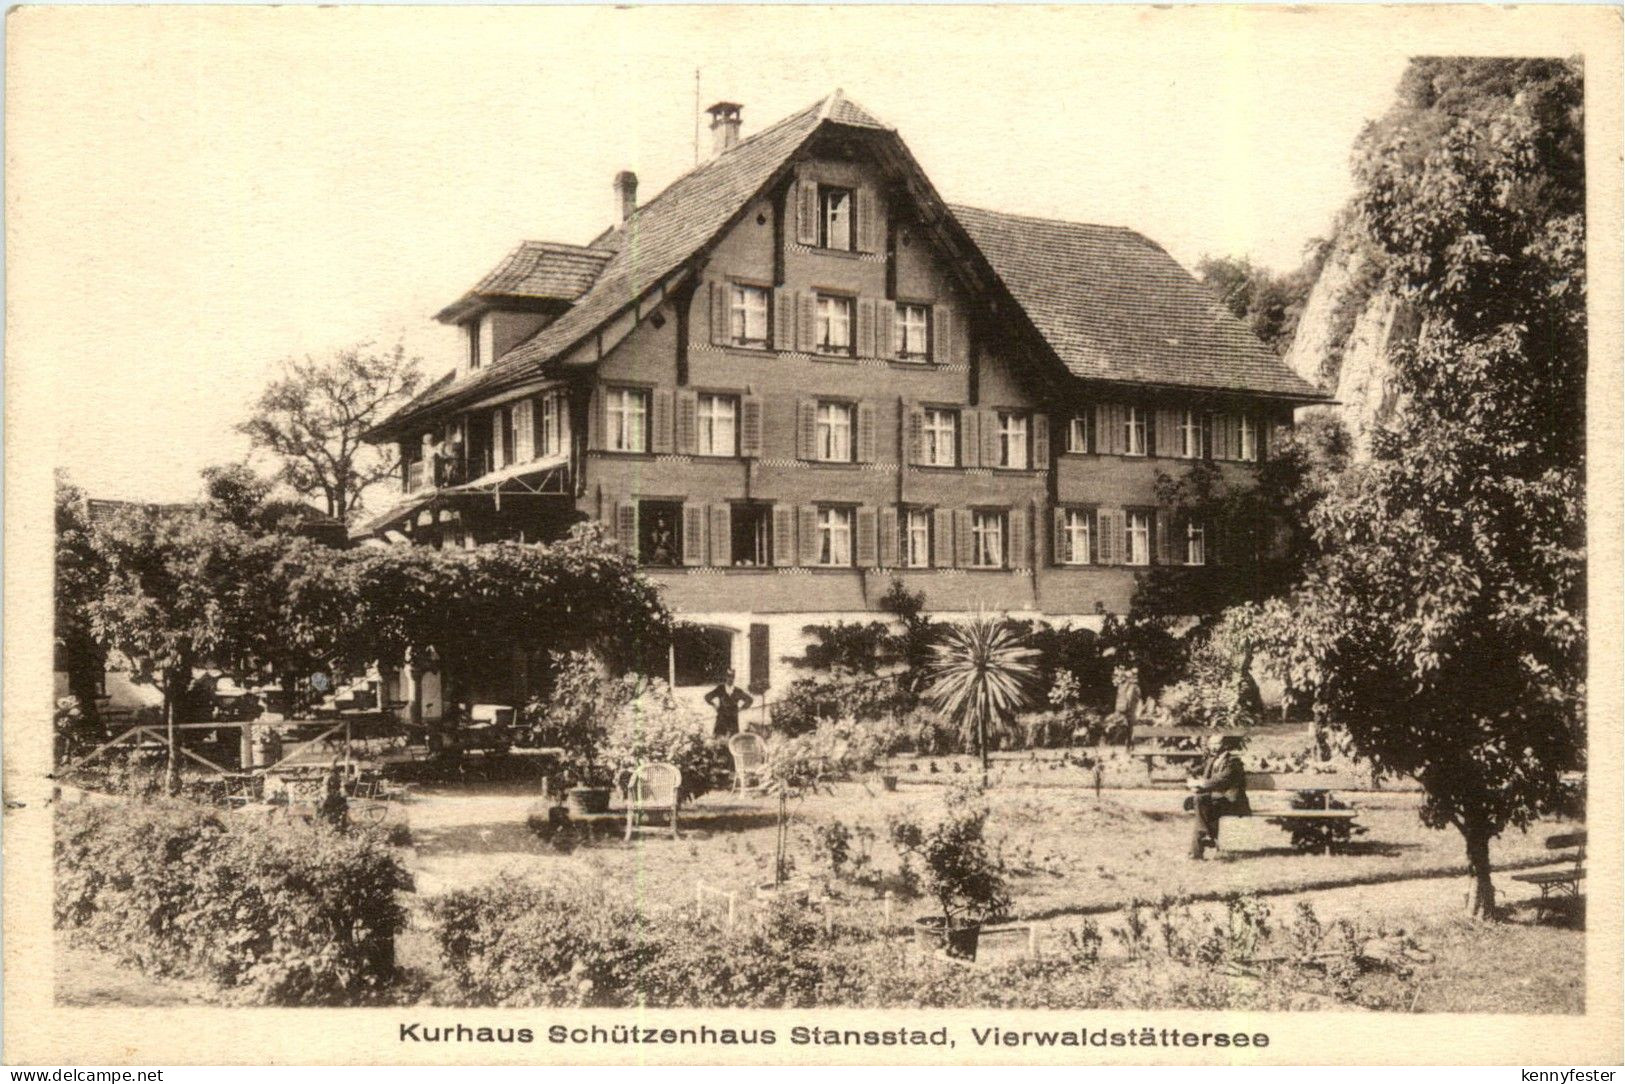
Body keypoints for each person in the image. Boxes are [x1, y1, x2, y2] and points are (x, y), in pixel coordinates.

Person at [1186, 733, 1249, 859]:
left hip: (1231, 802)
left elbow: (1221, 780)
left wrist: (1200, 783)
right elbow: (1199, 771)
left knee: (1201, 807)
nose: (1213, 747)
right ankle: (1204, 838)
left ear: (1225, 745)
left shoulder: (1233, 762)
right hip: (1216, 800)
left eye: (1217, 743)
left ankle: (1196, 852)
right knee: (1200, 802)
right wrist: (1190, 775)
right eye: (1211, 744)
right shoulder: (1212, 760)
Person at [704, 670, 754, 738]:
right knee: (719, 739)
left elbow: (749, 700)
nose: (730, 679)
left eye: (732, 677)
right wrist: (714, 705)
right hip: (721, 719)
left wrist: (741, 708)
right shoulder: (720, 689)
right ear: (726, 677)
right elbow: (707, 697)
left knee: (733, 739)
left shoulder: (737, 691)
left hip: (733, 720)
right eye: (729, 677)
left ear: (734, 678)